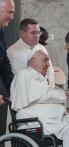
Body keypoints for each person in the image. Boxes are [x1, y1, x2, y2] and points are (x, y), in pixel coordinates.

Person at [10, 50, 69, 147]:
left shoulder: (36, 76)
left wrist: (64, 103)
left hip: (50, 120)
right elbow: (44, 95)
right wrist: (66, 94)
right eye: (45, 60)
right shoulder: (25, 74)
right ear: (33, 62)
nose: (48, 65)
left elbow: (47, 94)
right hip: (36, 122)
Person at [7, 18, 55, 87]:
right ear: (22, 33)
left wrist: (51, 88)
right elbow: (19, 79)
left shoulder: (42, 48)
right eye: (33, 32)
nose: (37, 36)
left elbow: (50, 71)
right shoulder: (12, 52)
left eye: (38, 32)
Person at [0, 0, 14, 139]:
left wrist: (15, 89)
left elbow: (4, 63)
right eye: (9, 12)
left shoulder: (1, 31)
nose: (12, 16)